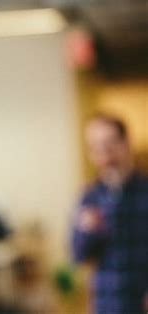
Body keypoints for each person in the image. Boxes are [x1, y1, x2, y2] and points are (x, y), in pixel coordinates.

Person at [71, 114, 148, 314]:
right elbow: (78, 254)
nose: (105, 154)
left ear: (126, 143)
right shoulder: (89, 197)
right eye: (96, 147)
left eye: (110, 143)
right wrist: (87, 230)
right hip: (107, 301)